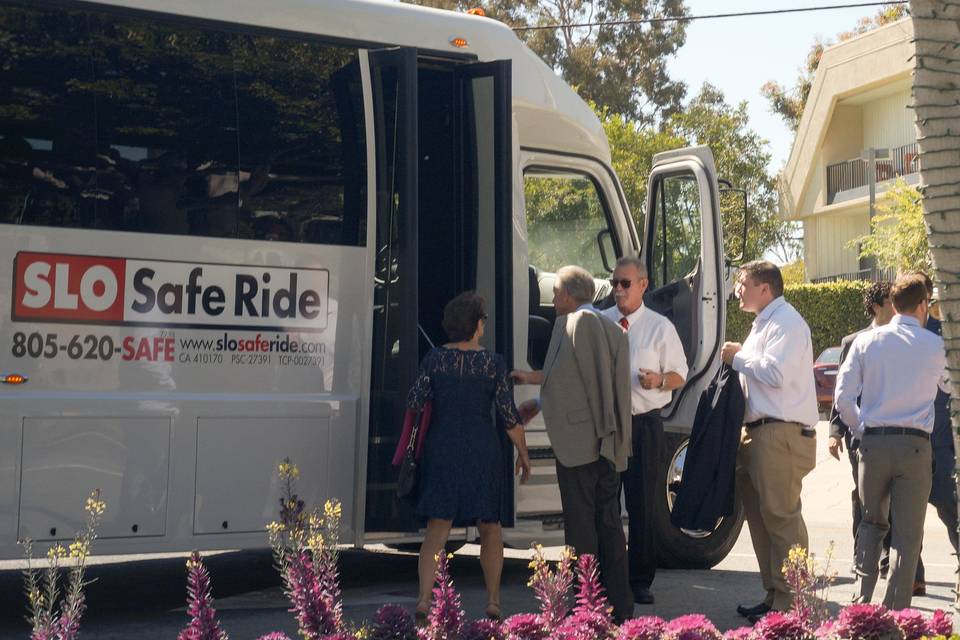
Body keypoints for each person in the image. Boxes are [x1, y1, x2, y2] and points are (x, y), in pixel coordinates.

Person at [513, 265, 634, 622]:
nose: (552, 299)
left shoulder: (583, 322)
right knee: (599, 529)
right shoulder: (576, 322)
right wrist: (537, 403)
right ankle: (605, 608)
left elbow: (599, 385)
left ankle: (591, 611)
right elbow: (570, 381)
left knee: (589, 532)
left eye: (556, 293)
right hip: (588, 445)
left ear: (567, 295)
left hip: (590, 448)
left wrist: (605, 441)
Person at [407, 291, 532, 623]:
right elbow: (508, 417)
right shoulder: (494, 362)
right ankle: (492, 601)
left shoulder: (433, 359)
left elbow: (415, 401)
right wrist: (524, 453)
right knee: (490, 527)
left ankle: (423, 599)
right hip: (482, 447)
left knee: (437, 529)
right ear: (477, 325)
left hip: (442, 445)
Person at [835, 273, 947, 610]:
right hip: (915, 446)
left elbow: (842, 399)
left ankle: (861, 600)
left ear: (894, 304)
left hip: (874, 443)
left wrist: (861, 429)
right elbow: (952, 388)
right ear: (924, 304)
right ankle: (894, 612)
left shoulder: (866, 342)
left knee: (871, 522)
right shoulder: (934, 345)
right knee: (908, 536)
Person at [721, 260, 819, 622]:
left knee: (780, 517)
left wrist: (737, 357)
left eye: (743, 283)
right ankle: (776, 596)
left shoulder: (787, 322)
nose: (738, 290)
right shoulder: (766, 321)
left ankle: (795, 601)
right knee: (763, 520)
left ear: (765, 288)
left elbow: (774, 373)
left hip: (779, 432)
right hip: (759, 433)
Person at [599, 256, 687, 605]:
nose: (618, 289)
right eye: (614, 283)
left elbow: (680, 373)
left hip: (643, 423)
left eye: (625, 283)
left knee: (642, 506)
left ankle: (639, 580)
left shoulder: (659, 326)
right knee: (605, 505)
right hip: (607, 425)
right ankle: (606, 576)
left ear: (643, 285)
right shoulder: (600, 322)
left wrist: (659, 380)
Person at [828, 282, 899, 574]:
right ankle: (863, 556)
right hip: (862, 435)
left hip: (897, 434)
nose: (897, 306)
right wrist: (835, 433)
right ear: (876, 307)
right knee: (866, 498)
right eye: (891, 300)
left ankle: (887, 556)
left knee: (895, 499)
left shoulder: (902, 339)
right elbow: (841, 391)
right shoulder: (853, 341)